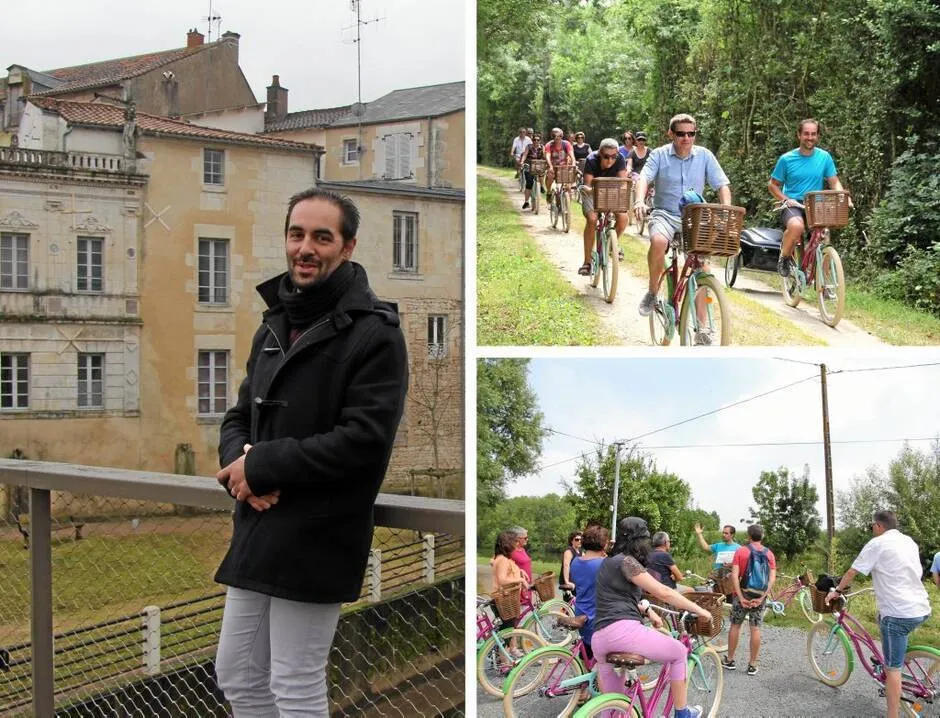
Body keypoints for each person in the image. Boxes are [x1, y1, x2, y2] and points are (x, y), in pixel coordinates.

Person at [213, 187, 408, 717]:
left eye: (322, 237)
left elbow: (364, 441)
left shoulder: (375, 334)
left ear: (347, 247)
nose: (306, 248)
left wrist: (262, 466)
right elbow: (238, 417)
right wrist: (241, 471)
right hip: (258, 523)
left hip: (320, 531)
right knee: (236, 674)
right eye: (297, 234)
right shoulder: (274, 322)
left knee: (294, 682)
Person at [591, 517, 711, 718]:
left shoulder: (608, 562)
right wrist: (700, 610)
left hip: (600, 638)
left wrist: (651, 613)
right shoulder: (627, 562)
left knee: (613, 708)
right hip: (623, 632)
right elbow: (664, 592)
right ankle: (682, 714)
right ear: (641, 541)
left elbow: (625, 597)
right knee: (679, 652)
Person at [634, 114, 732, 336]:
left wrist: (725, 208)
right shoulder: (659, 155)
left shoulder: (705, 156)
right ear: (671, 134)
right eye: (681, 133)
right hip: (665, 214)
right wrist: (639, 200)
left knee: (703, 268)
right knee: (658, 241)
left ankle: (702, 328)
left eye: (691, 133)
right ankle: (652, 290)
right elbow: (643, 179)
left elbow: (722, 185)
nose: (686, 138)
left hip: (694, 217)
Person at [828, 510, 931, 718]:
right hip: (920, 607)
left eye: (871, 527)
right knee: (883, 621)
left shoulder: (877, 543)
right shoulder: (908, 541)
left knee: (893, 668)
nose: (872, 530)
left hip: (897, 613)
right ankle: (900, 659)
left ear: (878, 526)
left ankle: (892, 713)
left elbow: (851, 572)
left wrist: (836, 592)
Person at [768, 118, 849, 276]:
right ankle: (784, 257)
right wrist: (785, 199)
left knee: (824, 236)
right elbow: (772, 185)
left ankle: (823, 283)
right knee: (797, 227)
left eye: (813, 134)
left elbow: (834, 181)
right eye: (806, 134)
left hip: (816, 204)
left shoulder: (824, 157)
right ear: (799, 135)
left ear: (818, 136)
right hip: (793, 204)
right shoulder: (786, 159)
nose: (810, 137)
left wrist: (842, 196)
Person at [723, 524, 776, 677]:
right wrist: (762, 597)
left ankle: (730, 660)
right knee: (755, 628)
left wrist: (740, 597)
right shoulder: (769, 554)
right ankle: (752, 665)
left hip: (743, 594)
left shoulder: (741, 551)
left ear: (748, 536)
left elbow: (734, 576)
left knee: (735, 626)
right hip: (759, 596)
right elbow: (772, 579)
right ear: (762, 536)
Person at [578, 138, 630, 276]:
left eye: (614, 156)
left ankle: (612, 244)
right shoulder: (591, 159)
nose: (610, 160)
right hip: (592, 192)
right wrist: (590, 190)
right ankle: (587, 262)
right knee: (592, 219)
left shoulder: (620, 159)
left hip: (611, 191)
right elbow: (588, 184)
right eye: (606, 156)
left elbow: (623, 182)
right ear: (600, 153)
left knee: (624, 218)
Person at [570, 523, 609, 660]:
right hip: (597, 615)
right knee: (603, 656)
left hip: (580, 610)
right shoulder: (603, 564)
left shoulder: (575, 561)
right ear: (604, 544)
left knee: (587, 651)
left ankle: (586, 678)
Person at [544, 127, 575, 199]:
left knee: (568, 187)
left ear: (562, 136)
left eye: (559, 136)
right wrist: (550, 166)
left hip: (564, 168)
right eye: (554, 136)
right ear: (552, 136)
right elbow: (547, 156)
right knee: (549, 177)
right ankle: (548, 192)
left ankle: (567, 206)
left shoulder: (566, 144)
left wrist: (573, 164)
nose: (557, 138)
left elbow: (572, 156)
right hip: (553, 167)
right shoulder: (549, 145)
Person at [519, 133, 546, 211]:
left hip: (539, 166)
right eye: (534, 140)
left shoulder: (542, 147)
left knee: (541, 175)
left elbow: (544, 156)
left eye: (538, 140)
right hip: (529, 165)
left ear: (540, 141)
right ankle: (526, 201)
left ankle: (541, 186)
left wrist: (547, 162)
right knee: (529, 183)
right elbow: (524, 155)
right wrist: (522, 162)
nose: (536, 141)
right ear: (532, 140)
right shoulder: (529, 147)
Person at [559, 530, 583, 600]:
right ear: (571, 541)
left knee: (572, 603)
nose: (579, 541)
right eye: (577, 539)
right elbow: (566, 565)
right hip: (568, 581)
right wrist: (567, 581)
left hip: (575, 581)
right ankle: (563, 611)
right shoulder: (569, 551)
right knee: (568, 602)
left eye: (580, 539)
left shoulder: (580, 551)